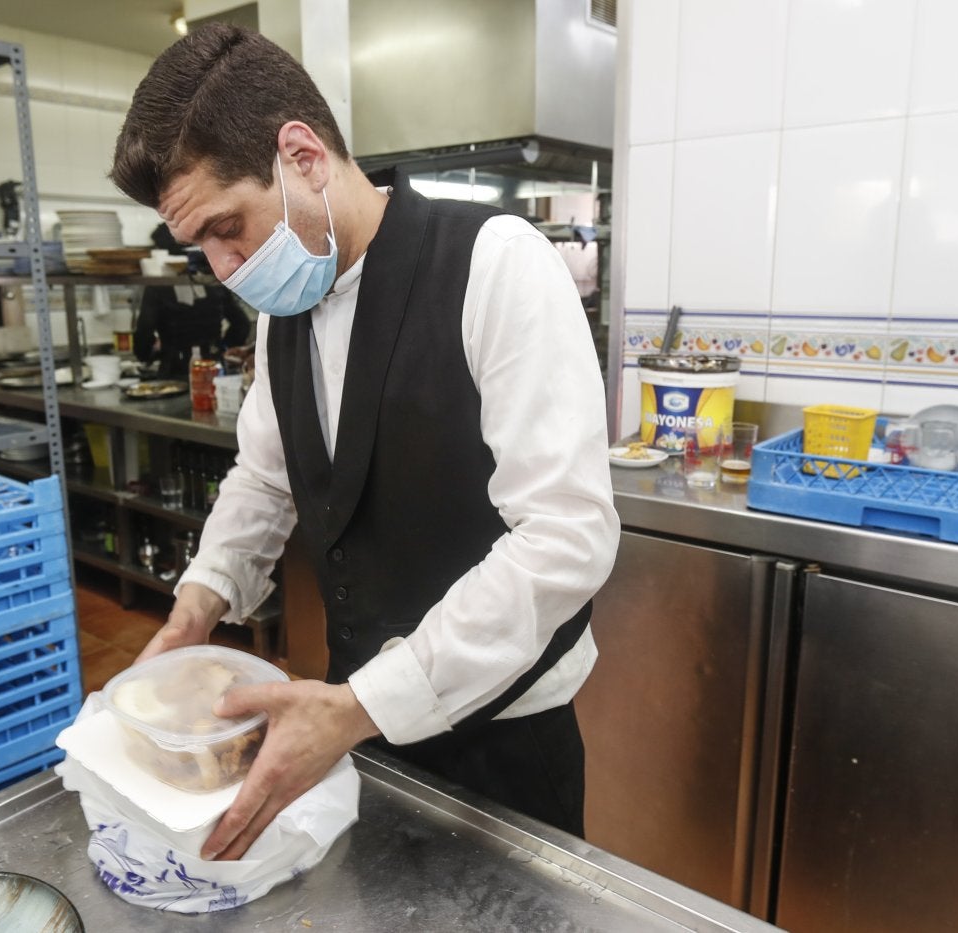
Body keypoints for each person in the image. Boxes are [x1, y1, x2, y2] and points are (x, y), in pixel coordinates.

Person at [110, 24, 619, 863]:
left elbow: (567, 535)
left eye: (228, 227)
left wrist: (361, 704)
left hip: (504, 740)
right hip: (346, 723)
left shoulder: (495, 264)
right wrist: (197, 604)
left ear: (303, 156)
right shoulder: (286, 315)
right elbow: (266, 476)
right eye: (200, 245)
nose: (224, 268)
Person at [134, 223, 250, 378]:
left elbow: (144, 332)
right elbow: (241, 324)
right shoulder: (210, 282)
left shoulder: (159, 286)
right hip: (213, 366)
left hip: (174, 369)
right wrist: (223, 347)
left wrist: (149, 355)